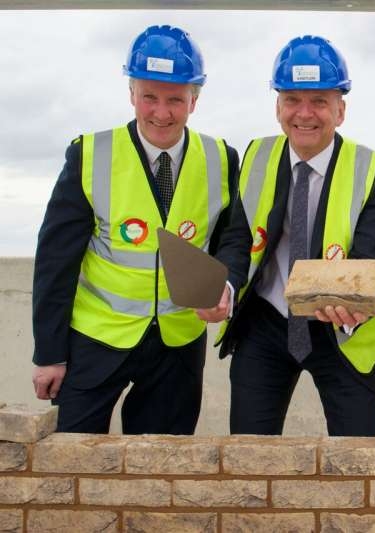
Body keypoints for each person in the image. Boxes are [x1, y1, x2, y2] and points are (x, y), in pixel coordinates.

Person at [30, 25, 239, 434]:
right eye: (149, 97)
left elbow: (231, 239)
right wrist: (49, 354)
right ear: (131, 94)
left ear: (194, 100)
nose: (161, 112)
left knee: (163, 472)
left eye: (175, 99)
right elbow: (56, 261)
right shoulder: (89, 155)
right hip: (96, 339)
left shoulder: (222, 158)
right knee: (72, 463)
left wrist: (224, 287)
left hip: (178, 345)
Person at [198, 35, 375, 436]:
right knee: (249, 458)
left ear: (340, 110)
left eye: (320, 101)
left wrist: (353, 306)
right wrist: (227, 286)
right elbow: (239, 238)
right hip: (267, 323)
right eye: (292, 99)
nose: (304, 113)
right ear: (277, 106)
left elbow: (369, 255)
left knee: (358, 462)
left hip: (340, 329)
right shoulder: (256, 155)